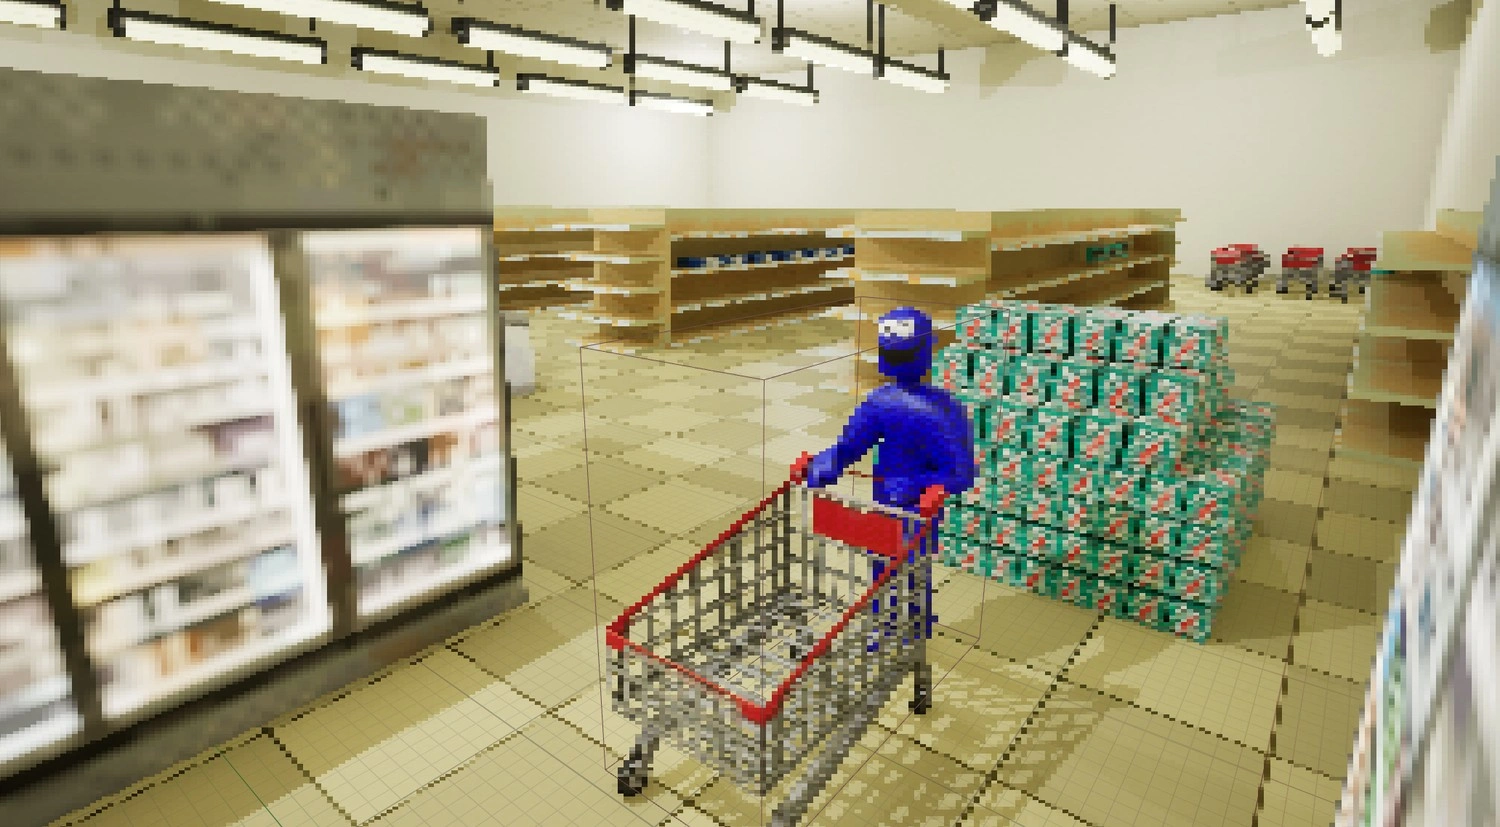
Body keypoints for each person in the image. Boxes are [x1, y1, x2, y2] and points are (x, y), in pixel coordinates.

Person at [798, 306, 975, 712]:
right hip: (905, 512)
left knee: (894, 570)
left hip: (901, 508)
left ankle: (901, 626)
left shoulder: (882, 403)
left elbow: (847, 448)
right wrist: (828, 464)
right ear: (928, 351)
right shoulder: (945, 411)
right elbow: (961, 472)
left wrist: (824, 466)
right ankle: (900, 626)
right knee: (903, 569)